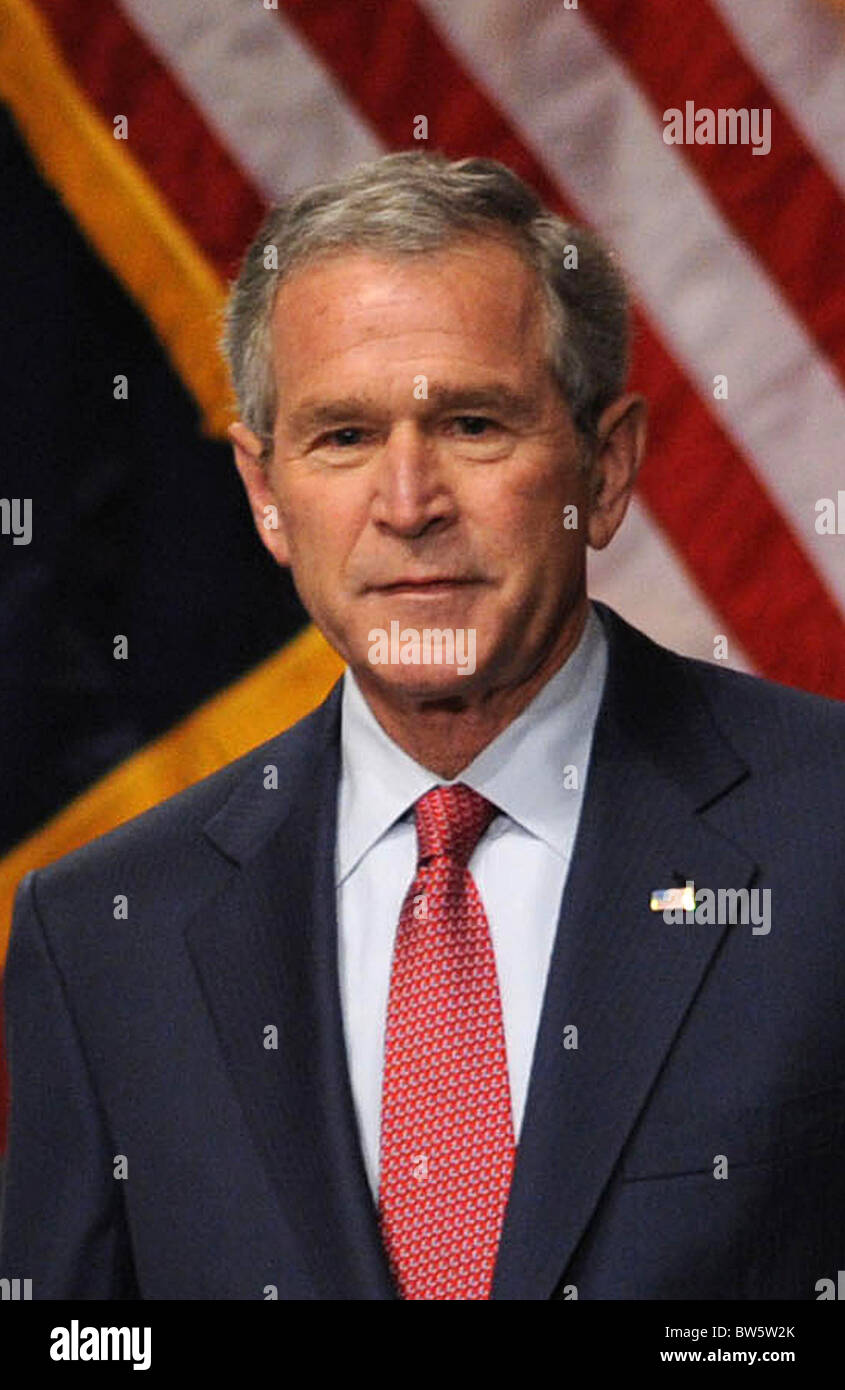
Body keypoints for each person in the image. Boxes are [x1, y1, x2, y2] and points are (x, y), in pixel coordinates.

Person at [1, 152, 843, 1301]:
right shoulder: (106, 933)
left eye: (471, 423)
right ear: (263, 492)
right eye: (341, 437)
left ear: (603, 468)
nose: (407, 505)